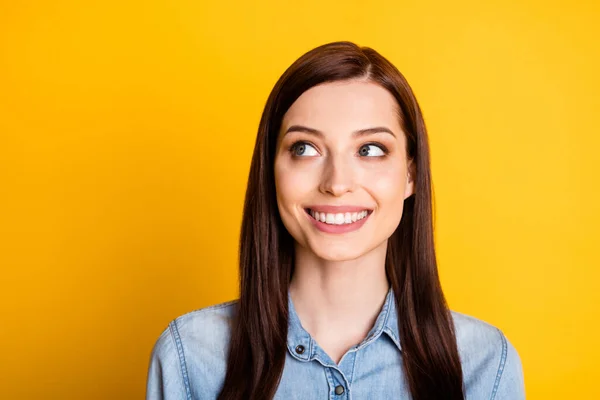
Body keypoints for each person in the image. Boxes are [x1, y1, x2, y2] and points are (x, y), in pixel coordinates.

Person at [145, 41, 525, 400]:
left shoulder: (484, 363)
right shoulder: (190, 355)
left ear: (410, 175)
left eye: (370, 150)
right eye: (305, 148)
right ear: (272, 171)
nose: (337, 183)